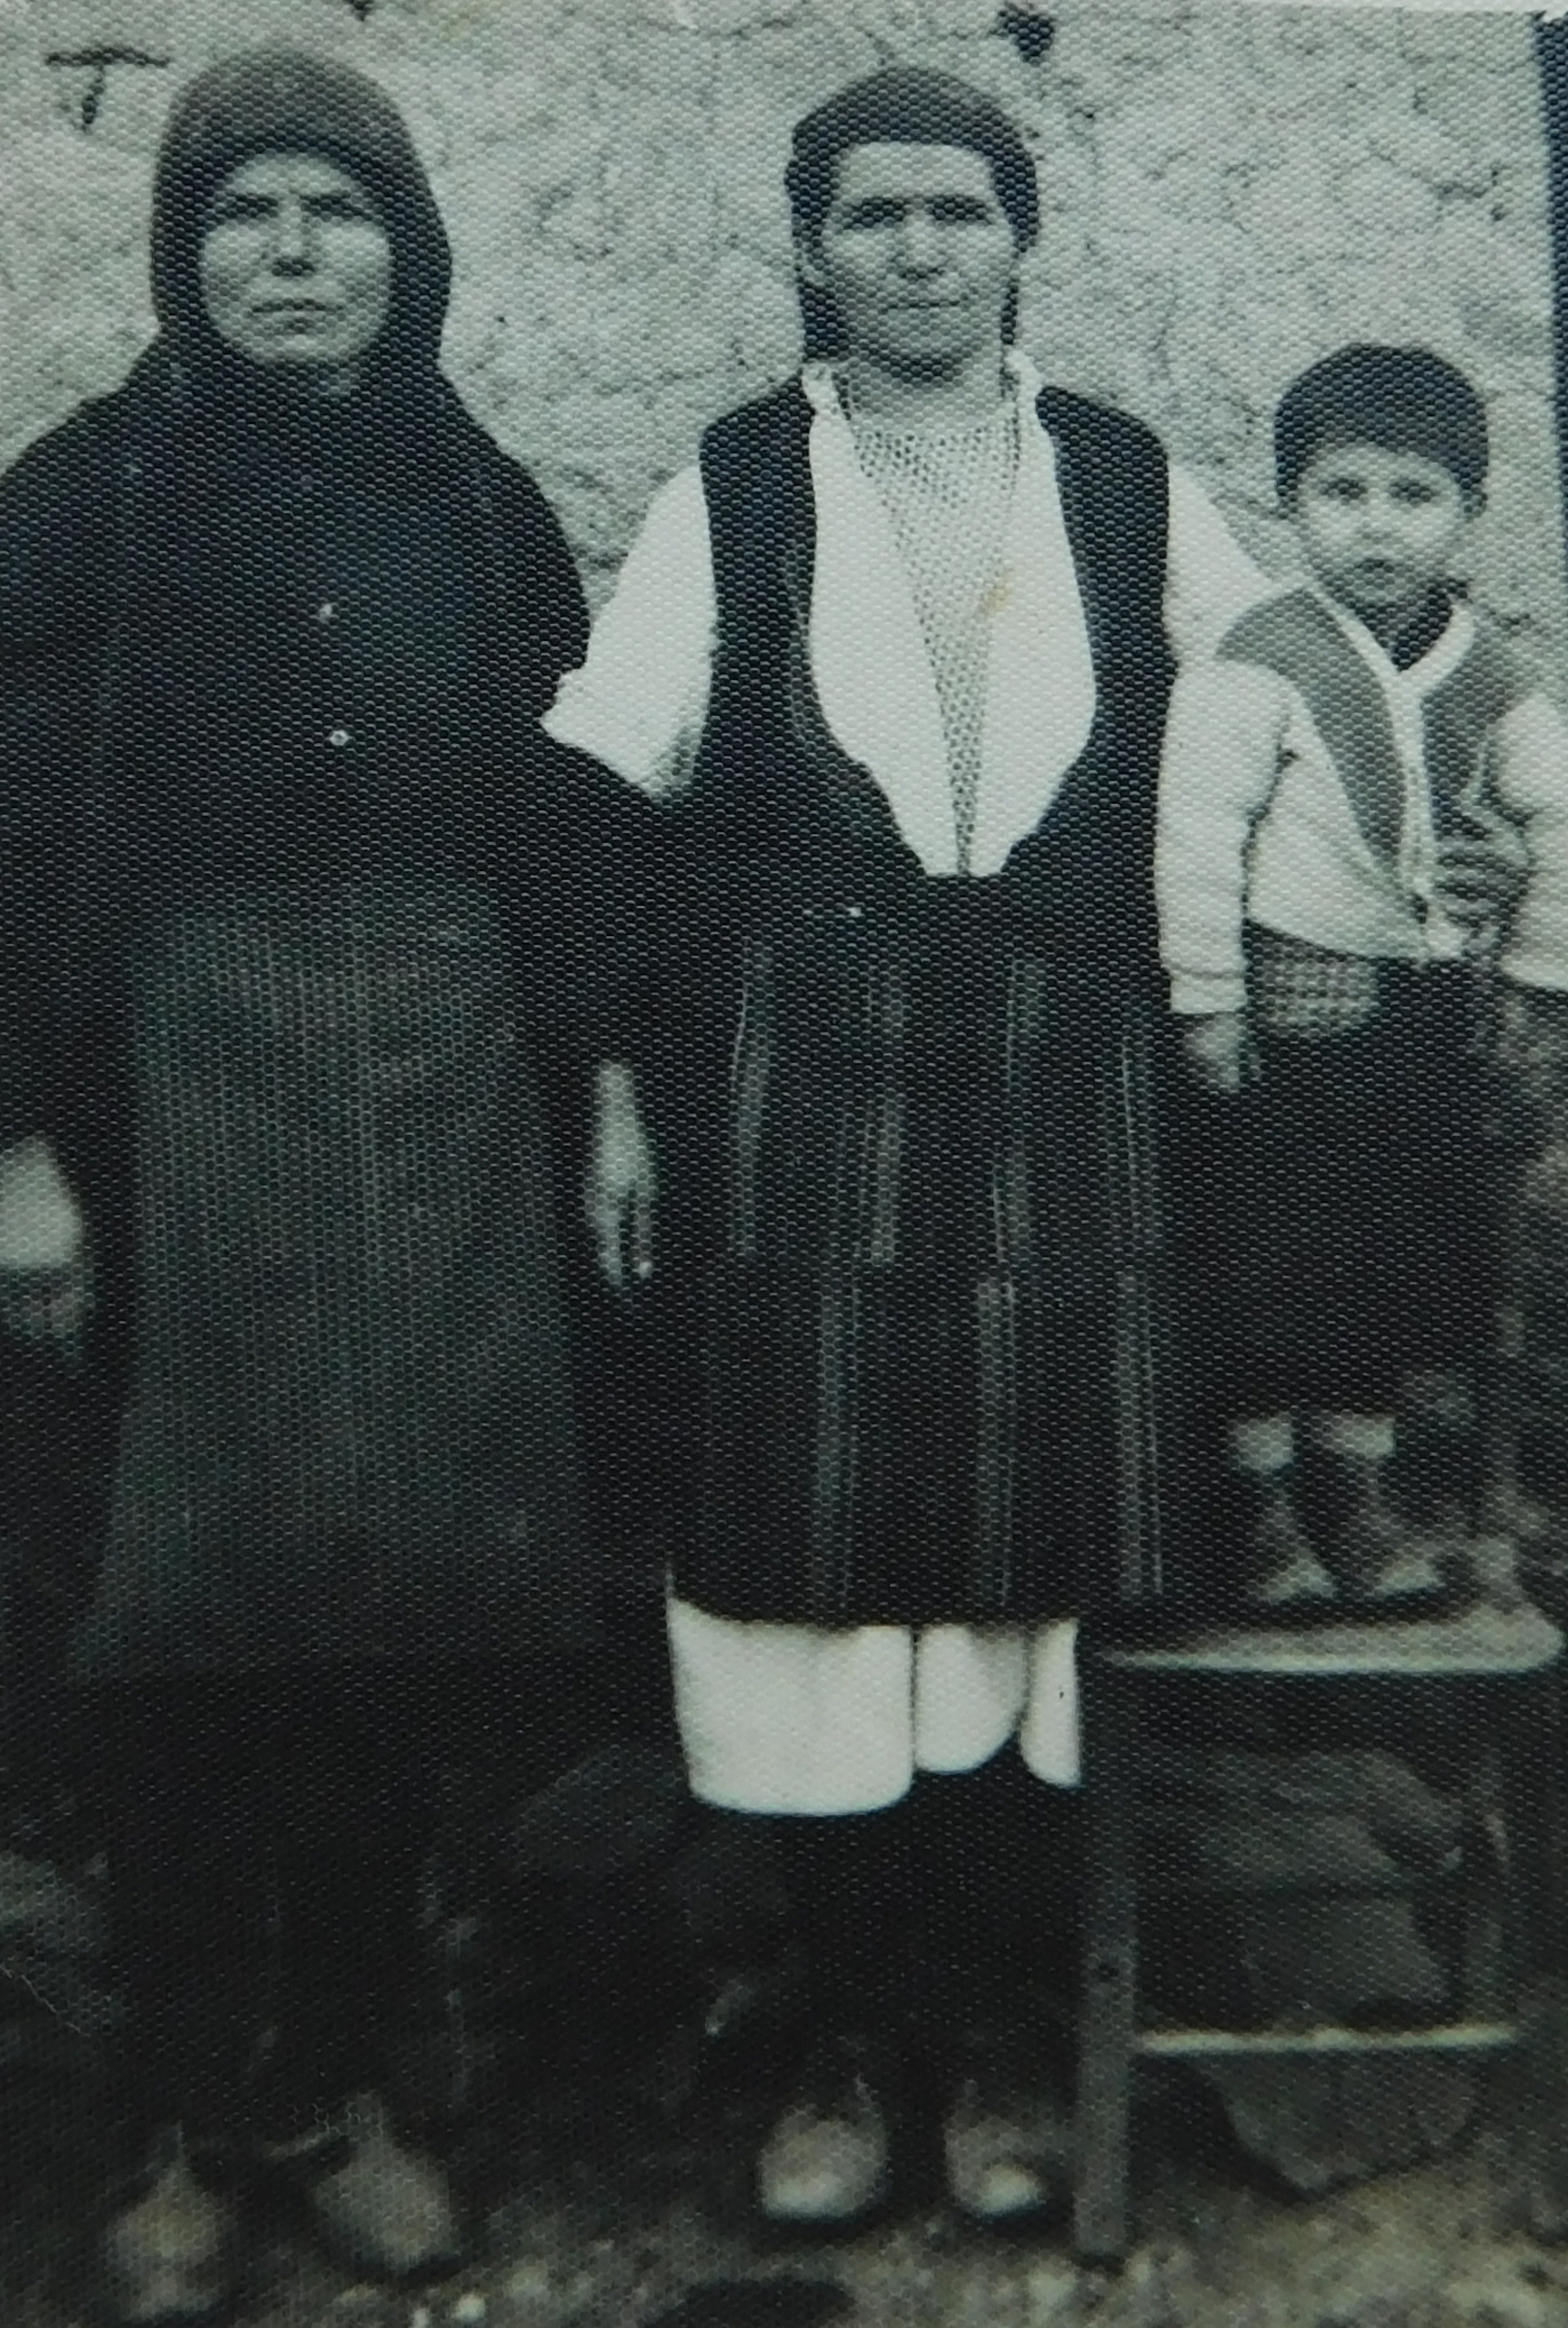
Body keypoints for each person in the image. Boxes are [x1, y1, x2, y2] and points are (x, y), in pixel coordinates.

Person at [546, 64, 1286, 2231]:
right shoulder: (735, 482)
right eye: (870, 215)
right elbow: (600, 800)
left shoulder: (1125, 480)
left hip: (1070, 1101)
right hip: (811, 1113)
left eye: (957, 210)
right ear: (809, 249)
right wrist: (614, 1091)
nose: (917, 250)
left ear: (1018, 238)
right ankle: (848, 2049)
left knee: (1029, 1601)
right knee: (825, 1605)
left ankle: (1002, 2051)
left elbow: (1275, 719)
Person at [0, 49, 620, 2322]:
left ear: (402, 247)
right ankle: (172, 2120)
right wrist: (14, 1151)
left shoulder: (476, 500)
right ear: (185, 253)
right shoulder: (82, 498)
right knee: (172, 1628)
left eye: (334, 211)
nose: (290, 253)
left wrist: (605, 1088)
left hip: (445, 1087)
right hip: (168, 1101)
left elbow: (566, 824)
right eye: (243, 213)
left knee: (391, 1609)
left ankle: (338, 2094)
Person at [1156, 343, 1568, 1612]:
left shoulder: (1487, 669)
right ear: (1290, 502)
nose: (1376, 525)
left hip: (1425, 1019)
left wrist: (1537, 983)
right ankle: (1259, 1507)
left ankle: (1355, 1491)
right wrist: (1207, 1000)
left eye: (1413, 494)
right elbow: (1195, 835)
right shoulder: (1258, 656)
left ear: (1469, 513)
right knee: (1265, 1255)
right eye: (1341, 493)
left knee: (1383, 1255)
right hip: (1284, 1025)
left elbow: (1557, 812)